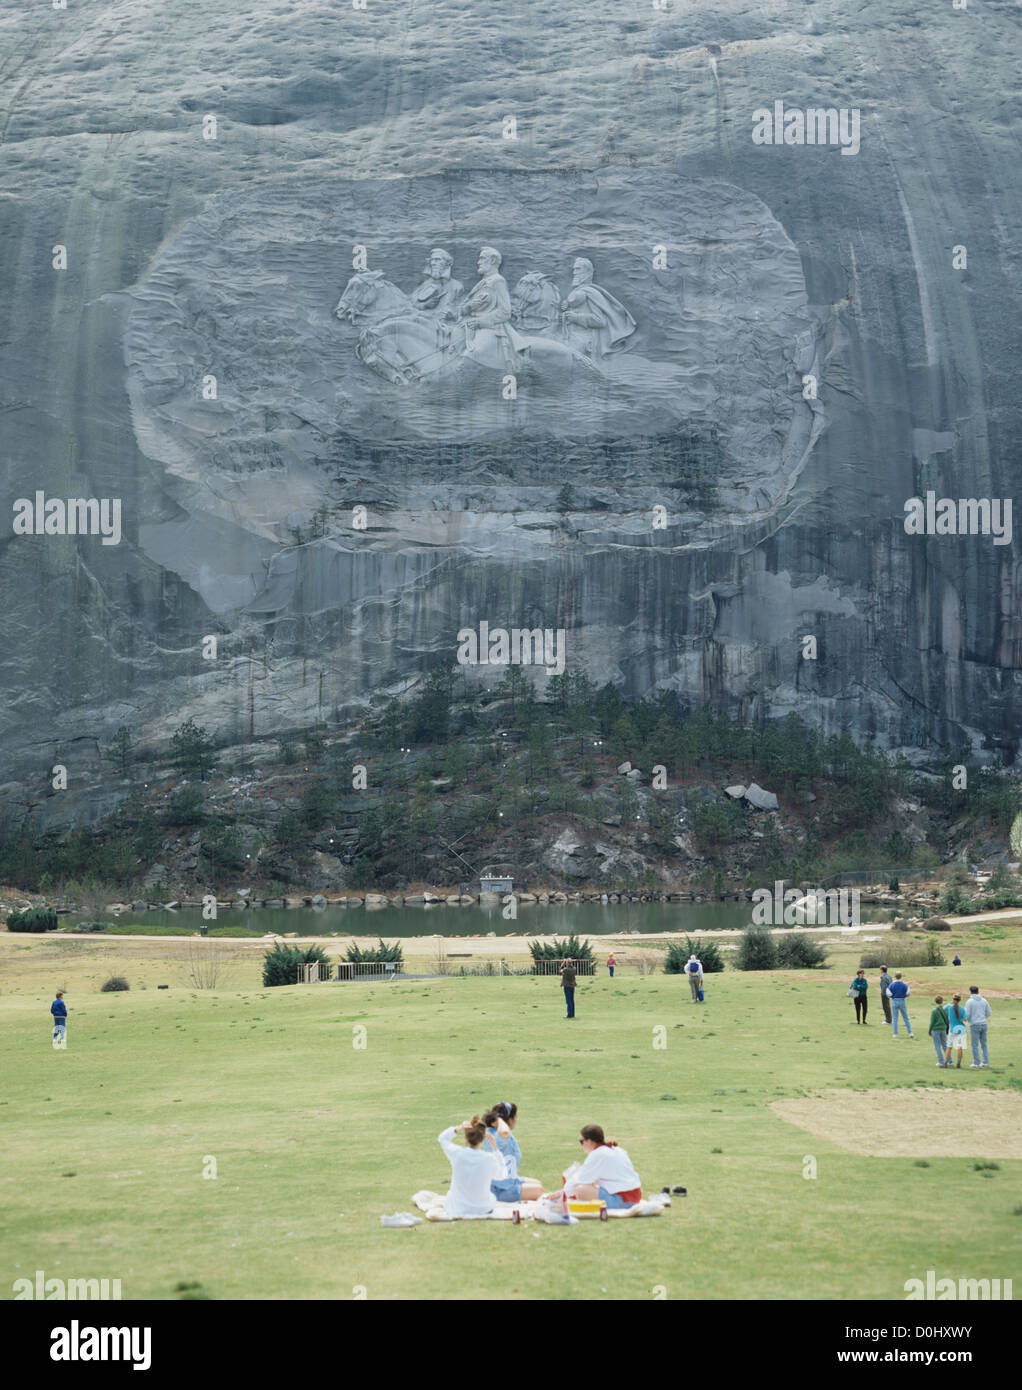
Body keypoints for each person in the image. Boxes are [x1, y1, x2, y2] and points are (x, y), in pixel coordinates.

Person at [562, 1124, 645, 1214]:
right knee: (589, 1186)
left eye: (581, 1141)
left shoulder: (598, 1154)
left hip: (623, 1200)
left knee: (579, 1189)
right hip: (635, 1196)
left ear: (589, 1141)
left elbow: (579, 1180)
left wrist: (562, 1195)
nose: (581, 1145)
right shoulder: (617, 1150)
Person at [436, 1117, 505, 1218]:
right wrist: (495, 1149)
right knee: (492, 1197)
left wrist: (458, 1128)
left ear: (467, 1137)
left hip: (458, 1208)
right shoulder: (490, 1158)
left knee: (450, 1196)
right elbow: (501, 1176)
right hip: (483, 1208)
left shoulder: (457, 1153)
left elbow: (442, 1138)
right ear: (483, 1138)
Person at [482, 1102, 544, 1203]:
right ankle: (497, 1197)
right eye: (515, 1116)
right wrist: (499, 1119)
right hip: (501, 1188)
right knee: (539, 1190)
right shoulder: (497, 1135)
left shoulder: (493, 1131)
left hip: (510, 1179)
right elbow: (504, 1132)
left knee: (538, 1184)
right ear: (509, 1120)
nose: (516, 1119)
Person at [965, 985, 991, 1068]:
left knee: (975, 1045)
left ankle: (976, 1063)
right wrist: (982, 1018)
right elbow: (989, 1013)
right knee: (984, 1044)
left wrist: (967, 1020)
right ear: (978, 991)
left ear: (971, 992)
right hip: (983, 1024)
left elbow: (967, 1014)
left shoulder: (969, 1001)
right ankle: (985, 1062)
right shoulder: (984, 1000)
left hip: (974, 1025)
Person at [887, 972, 914, 1038]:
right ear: (901, 976)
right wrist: (904, 995)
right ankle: (910, 1033)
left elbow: (888, 993)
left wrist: (892, 996)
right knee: (906, 1018)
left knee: (895, 1018)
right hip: (902, 1001)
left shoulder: (892, 985)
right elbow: (908, 993)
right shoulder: (904, 984)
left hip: (894, 1001)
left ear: (895, 976)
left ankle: (895, 1034)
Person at [944, 995, 968, 1068]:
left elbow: (944, 1008)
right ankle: (958, 1063)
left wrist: (950, 1003)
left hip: (952, 1028)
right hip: (961, 1028)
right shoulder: (962, 1009)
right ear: (959, 1000)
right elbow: (965, 1019)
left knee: (949, 1046)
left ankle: (945, 1062)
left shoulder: (949, 1007)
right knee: (960, 1046)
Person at [928, 995, 950, 1067]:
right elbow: (947, 1021)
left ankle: (941, 1061)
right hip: (943, 1028)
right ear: (942, 1001)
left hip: (936, 1029)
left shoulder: (934, 1011)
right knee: (944, 1045)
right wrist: (947, 1029)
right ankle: (949, 1060)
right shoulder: (944, 1010)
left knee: (937, 1045)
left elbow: (932, 1022)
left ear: (935, 1002)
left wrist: (929, 1031)